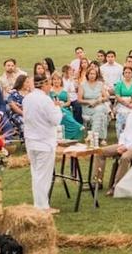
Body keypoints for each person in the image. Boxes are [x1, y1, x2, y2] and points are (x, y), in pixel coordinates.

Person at [96, 95, 132, 195]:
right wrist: (122, 144)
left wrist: (126, 147)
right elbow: (124, 133)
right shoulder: (130, 115)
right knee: (101, 152)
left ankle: (116, 187)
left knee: (125, 157)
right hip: (124, 144)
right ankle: (97, 181)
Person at [23, 74, 64, 213]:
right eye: (49, 84)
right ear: (44, 85)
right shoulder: (45, 100)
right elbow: (56, 120)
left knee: (36, 173)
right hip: (44, 142)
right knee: (43, 176)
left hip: (31, 141)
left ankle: (38, 204)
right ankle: (42, 206)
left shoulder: (27, 98)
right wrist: (57, 107)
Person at [78, 66, 111, 142]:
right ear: (87, 75)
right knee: (101, 113)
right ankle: (102, 138)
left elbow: (106, 97)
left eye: (94, 74)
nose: (92, 75)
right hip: (88, 107)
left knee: (100, 110)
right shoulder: (82, 85)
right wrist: (89, 102)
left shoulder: (100, 84)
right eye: (90, 74)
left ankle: (92, 135)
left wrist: (100, 100)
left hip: (99, 104)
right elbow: (79, 100)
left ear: (96, 75)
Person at [50, 73, 83, 141]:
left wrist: (62, 105)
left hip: (64, 108)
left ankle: (74, 130)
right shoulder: (50, 91)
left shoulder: (64, 90)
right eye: (54, 79)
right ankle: (77, 125)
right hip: (54, 110)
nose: (56, 81)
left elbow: (69, 102)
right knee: (60, 111)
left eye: (58, 79)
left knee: (64, 112)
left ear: (61, 81)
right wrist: (55, 105)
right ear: (52, 81)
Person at [113, 66, 132, 138]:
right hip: (122, 104)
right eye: (125, 72)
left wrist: (131, 102)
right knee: (122, 114)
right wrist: (125, 103)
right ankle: (121, 137)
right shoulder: (119, 84)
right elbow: (117, 96)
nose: (127, 74)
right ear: (123, 74)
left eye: (129, 73)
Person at [5, 74, 31, 139]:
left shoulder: (31, 93)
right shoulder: (14, 93)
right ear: (21, 83)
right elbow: (12, 105)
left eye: (29, 82)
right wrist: (24, 113)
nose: (28, 84)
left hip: (30, 114)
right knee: (24, 123)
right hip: (18, 115)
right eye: (27, 82)